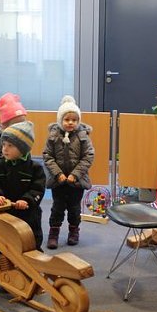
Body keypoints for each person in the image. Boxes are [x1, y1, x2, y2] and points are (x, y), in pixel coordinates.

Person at [42, 95, 95, 249]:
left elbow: (88, 156)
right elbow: (47, 156)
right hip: (58, 181)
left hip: (76, 181)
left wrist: (75, 174)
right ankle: (54, 233)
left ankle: (74, 232)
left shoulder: (83, 136)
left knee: (74, 208)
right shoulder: (53, 136)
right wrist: (58, 174)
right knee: (57, 208)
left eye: (74, 120)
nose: (71, 123)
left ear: (78, 121)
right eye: (67, 119)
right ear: (60, 120)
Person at [0, 121, 46, 250]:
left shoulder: (35, 168)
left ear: (23, 149)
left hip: (27, 213)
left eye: (10, 145)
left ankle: (33, 257)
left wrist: (26, 200)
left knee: (30, 237)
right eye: (4, 145)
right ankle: (1, 258)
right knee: (1, 237)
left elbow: (37, 189)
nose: (5, 149)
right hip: (4, 210)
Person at [0, 92, 27, 165]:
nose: (22, 128)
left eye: (23, 124)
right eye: (17, 125)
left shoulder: (24, 136)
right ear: (5, 126)